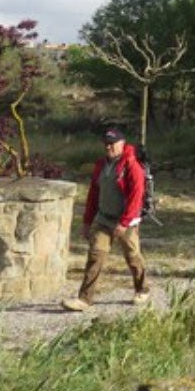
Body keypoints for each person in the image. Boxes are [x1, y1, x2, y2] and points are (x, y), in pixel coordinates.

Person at [61, 128, 150, 311]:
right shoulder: (101, 164)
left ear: (122, 144)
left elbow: (136, 197)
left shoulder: (132, 166)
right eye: (106, 143)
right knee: (96, 255)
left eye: (112, 143)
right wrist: (87, 221)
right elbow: (94, 194)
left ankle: (142, 289)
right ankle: (84, 299)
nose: (108, 147)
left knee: (132, 256)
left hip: (126, 221)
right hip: (103, 218)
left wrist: (124, 223)